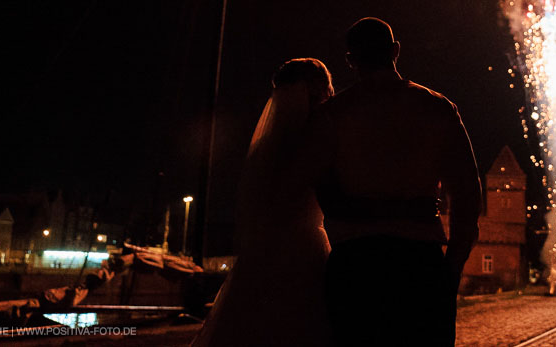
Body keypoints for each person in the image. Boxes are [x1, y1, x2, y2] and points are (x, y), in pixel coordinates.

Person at [303, 18, 481, 347]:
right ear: (396, 51)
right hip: (420, 264)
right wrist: (450, 269)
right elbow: (468, 196)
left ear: (351, 60)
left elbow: (321, 188)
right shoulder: (439, 108)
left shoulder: (331, 115)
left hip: (355, 267)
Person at [192, 58, 335, 347]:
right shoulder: (316, 139)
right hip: (306, 247)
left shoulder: (267, 143)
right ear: (319, 90)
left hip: (265, 250)